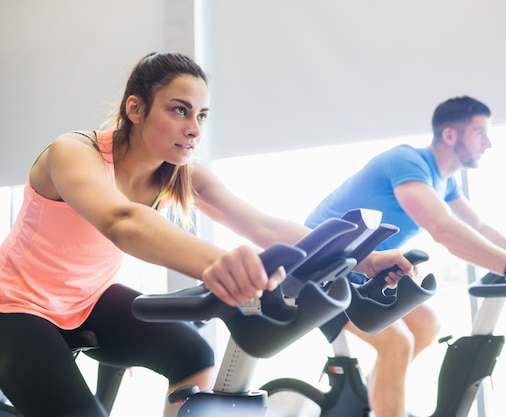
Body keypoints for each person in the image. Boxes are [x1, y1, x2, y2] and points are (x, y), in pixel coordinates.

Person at [0, 52, 415, 417]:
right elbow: (121, 221)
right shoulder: (73, 152)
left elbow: (263, 226)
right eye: (180, 110)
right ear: (136, 108)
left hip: (87, 301)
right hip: (15, 307)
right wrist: (217, 263)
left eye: (201, 115)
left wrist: (362, 258)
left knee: (192, 353)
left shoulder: (180, 175)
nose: (194, 127)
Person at [305, 95, 506, 417]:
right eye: (480, 133)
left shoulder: (445, 183)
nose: (488, 143)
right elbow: (442, 228)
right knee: (397, 343)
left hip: (361, 274)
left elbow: (481, 228)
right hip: (321, 270)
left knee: (427, 325)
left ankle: (380, 402)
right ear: (450, 135)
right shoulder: (406, 162)